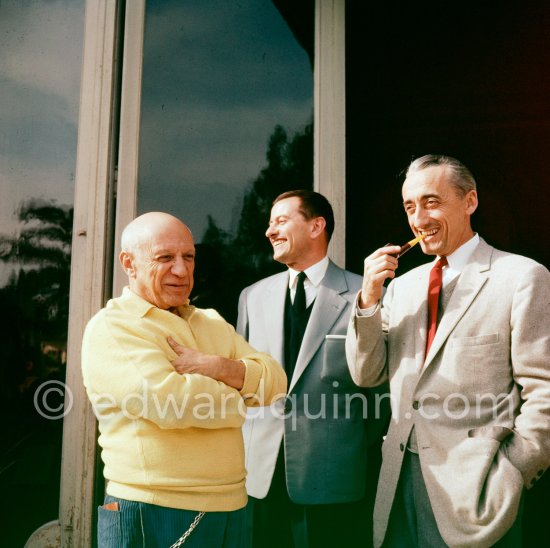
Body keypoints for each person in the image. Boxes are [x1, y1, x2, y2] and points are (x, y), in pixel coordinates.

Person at [346, 154, 550, 547]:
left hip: (480, 496)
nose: (418, 218)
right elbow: (365, 374)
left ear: (470, 201)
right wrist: (369, 300)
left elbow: (544, 391)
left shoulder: (523, 277)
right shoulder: (401, 287)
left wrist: (511, 473)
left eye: (431, 202)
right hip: (398, 487)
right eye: (410, 206)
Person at [81, 211, 287, 548]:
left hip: (234, 505)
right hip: (153, 508)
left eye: (188, 257)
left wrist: (215, 366)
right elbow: (172, 403)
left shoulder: (212, 321)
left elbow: (276, 382)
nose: (181, 270)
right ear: (129, 263)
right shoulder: (112, 326)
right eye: (165, 258)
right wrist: (244, 397)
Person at [237, 190, 389, 547]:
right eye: (269, 223)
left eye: (280, 221)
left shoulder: (365, 294)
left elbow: (379, 391)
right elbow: (241, 386)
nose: (269, 231)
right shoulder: (252, 296)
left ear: (317, 226)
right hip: (260, 479)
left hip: (333, 479)